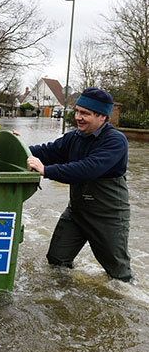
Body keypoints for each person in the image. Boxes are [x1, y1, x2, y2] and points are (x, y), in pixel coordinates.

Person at [27, 87, 132, 282]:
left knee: (118, 276)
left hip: (108, 216)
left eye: (85, 113)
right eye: (77, 111)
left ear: (103, 117)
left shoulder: (115, 141)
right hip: (77, 212)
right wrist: (18, 147)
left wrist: (46, 170)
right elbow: (47, 151)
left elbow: (86, 169)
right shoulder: (74, 137)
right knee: (57, 261)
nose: (78, 117)